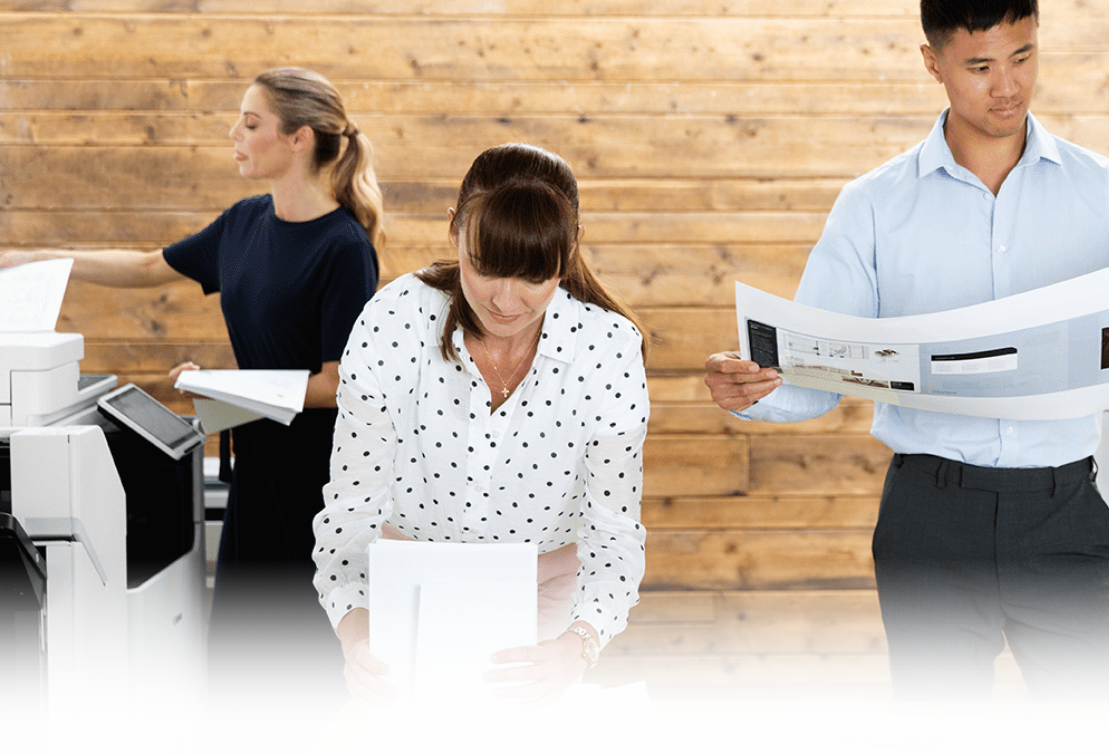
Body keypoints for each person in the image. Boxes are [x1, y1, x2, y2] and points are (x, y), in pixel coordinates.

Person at [701, 0, 1109, 700]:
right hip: (929, 519)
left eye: (1023, 56)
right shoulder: (873, 207)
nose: (1007, 85)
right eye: (981, 65)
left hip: (1063, 513)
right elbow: (821, 377)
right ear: (934, 63)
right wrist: (755, 389)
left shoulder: (1108, 195)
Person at [0, 67, 382, 694]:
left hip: (318, 487)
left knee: (304, 668)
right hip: (255, 476)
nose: (235, 133)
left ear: (299, 139)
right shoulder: (243, 223)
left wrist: (235, 386)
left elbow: (340, 384)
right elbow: (150, 265)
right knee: (238, 660)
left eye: (251, 123)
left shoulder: (344, 247)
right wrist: (45, 261)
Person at [312, 143, 649, 708]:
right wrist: (356, 633)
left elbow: (613, 534)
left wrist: (578, 644)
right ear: (454, 231)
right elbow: (350, 511)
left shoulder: (606, 348)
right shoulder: (394, 320)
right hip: (402, 586)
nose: (506, 301)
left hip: (546, 596)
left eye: (533, 277)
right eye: (486, 268)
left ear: (568, 252)